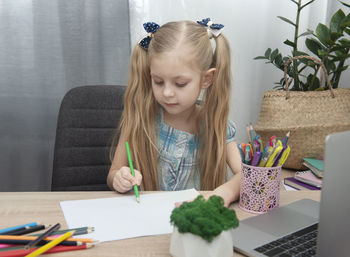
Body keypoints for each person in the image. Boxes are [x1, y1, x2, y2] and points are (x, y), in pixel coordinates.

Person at [107, 18, 242, 207]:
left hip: (194, 227)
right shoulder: (139, 121)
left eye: (180, 84)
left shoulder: (216, 126)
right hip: (147, 224)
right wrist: (119, 178)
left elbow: (249, 176)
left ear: (206, 79)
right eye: (158, 82)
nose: (167, 93)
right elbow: (113, 173)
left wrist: (222, 194)